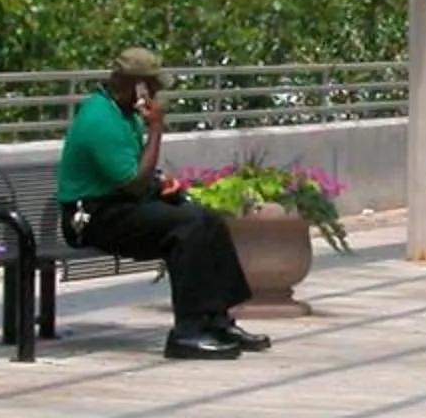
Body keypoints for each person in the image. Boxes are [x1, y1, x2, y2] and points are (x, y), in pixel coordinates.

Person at [56, 47, 270, 359]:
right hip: (91, 218)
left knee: (207, 219)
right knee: (186, 227)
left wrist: (163, 186)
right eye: (152, 85)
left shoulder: (124, 113)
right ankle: (188, 332)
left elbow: (138, 178)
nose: (156, 92)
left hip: (119, 205)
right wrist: (157, 129)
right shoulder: (100, 119)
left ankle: (218, 320)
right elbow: (133, 183)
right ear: (135, 85)